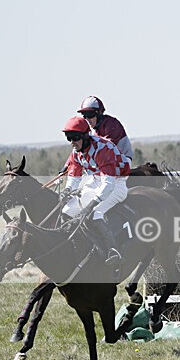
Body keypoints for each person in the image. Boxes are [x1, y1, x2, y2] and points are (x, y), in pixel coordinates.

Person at [59, 117, 130, 267]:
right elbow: (74, 177)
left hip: (116, 183)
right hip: (96, 182)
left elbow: (108, 184)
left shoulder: (102, 149)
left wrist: (92, 204)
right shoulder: (76, 152)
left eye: (75, 137)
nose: (72, 142)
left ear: (85, 135)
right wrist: (67, 190)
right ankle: (78, 246)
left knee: (94, 213)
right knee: (67, 210)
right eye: (68, 138)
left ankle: (113, 250)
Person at [77, 95, 133, 162]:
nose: (87, 119)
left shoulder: (112, 124)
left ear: (99, 113)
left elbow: (107, 149)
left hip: (123, 160)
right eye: (84, 116)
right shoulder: (91, 129)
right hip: (102, 161)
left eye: (90, 115)